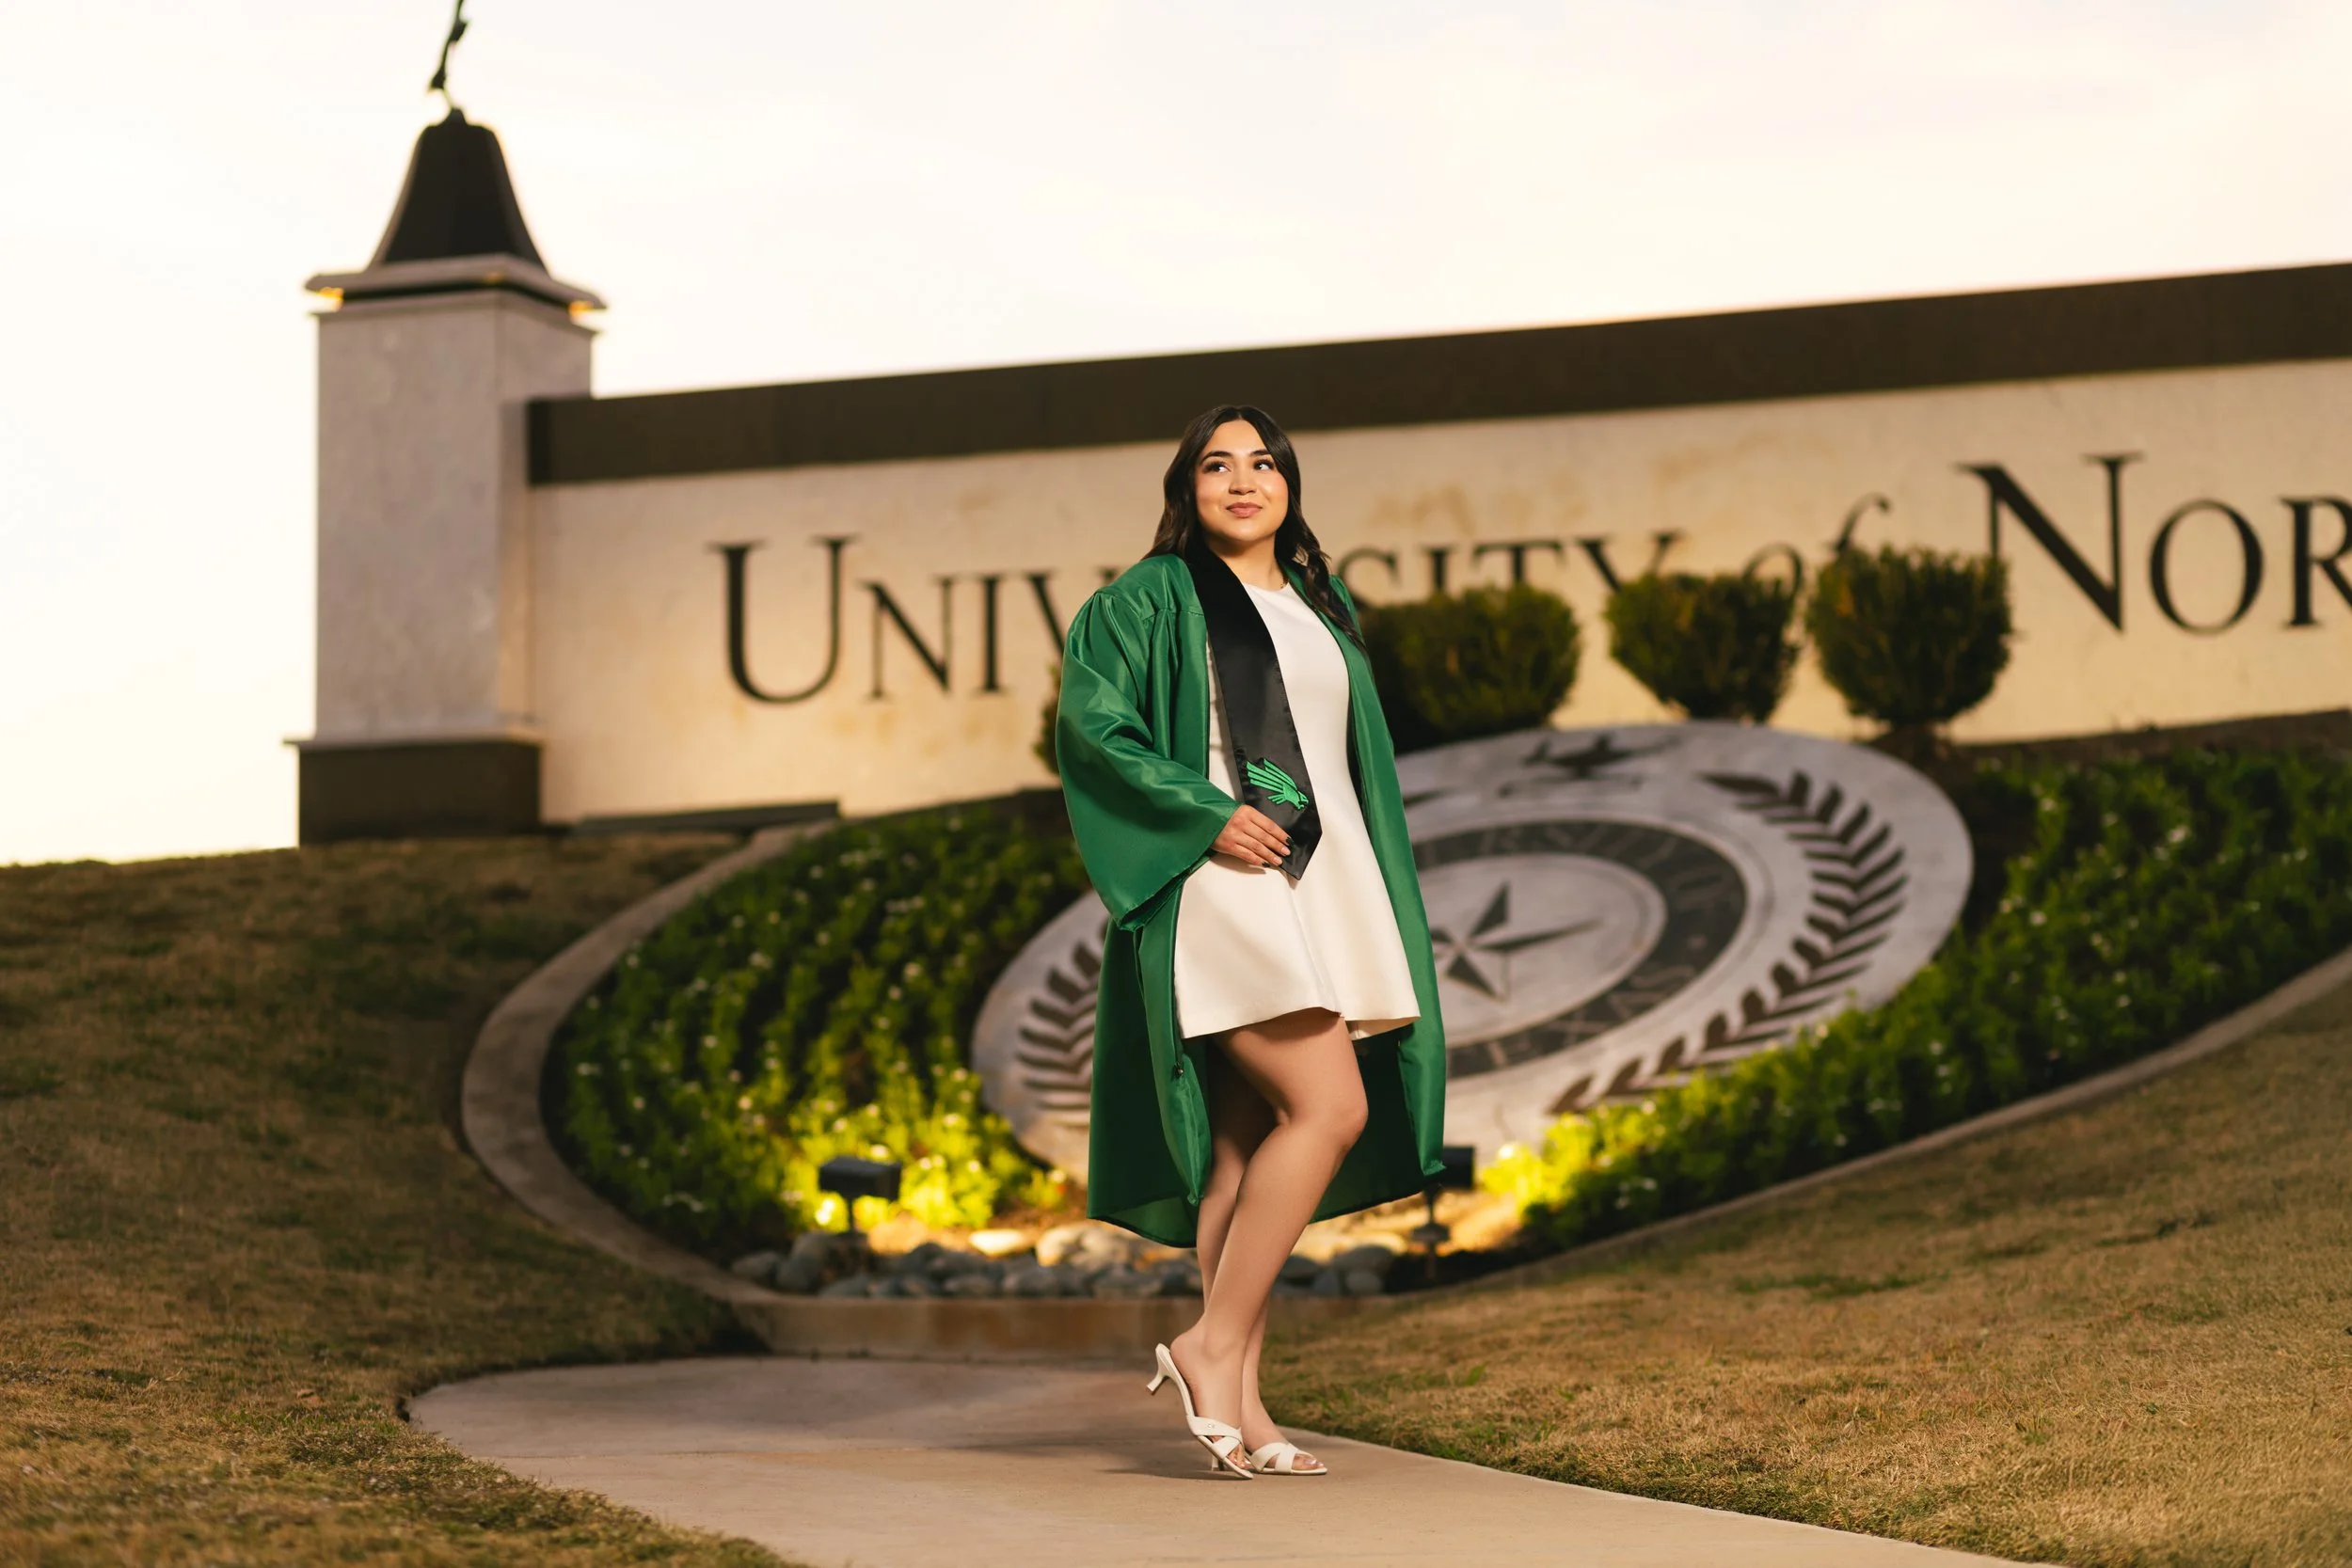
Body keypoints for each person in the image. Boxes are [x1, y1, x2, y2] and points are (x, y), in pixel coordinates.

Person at [1055, 404, 1449, 1479]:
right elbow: (1094, 731)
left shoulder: (1322, 604)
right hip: (1226, 878)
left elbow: (1342, 757)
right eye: (1216, 464)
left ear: (1290, 483)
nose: (1243, 479)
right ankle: (1207, 1343)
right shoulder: (1144, 599)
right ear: (1186, 489)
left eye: (1263, 461)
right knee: (1329, 1105)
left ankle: (1242, 1398)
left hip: (1317, 876)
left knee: (1244, 1143)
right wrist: (1201, 811)